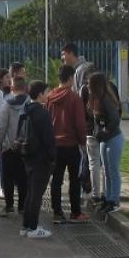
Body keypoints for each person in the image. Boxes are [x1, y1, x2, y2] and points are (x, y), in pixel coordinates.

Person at [46, 64, 89, 223]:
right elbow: (80, 123)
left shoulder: (50, 97)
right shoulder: (74, 98)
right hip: (71, 144)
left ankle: (57, 212)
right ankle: (75, 212)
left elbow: (47, 119)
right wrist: (82, 141)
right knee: (74, 180)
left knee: (56, 180)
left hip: (55, 144)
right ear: (71, 78)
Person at [20, 81, 56, 239]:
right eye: (47, 92)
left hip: (28, 156)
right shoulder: (42, 113)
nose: (48, 95)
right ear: (40, 94)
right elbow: (48, 139)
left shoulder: (26, 110)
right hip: (41, 158)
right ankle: (33, 227)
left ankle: (26, 226)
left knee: (30, 192)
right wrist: (52, 158)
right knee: (36, 194)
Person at [87, 71, 124, 214]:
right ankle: (108, 198)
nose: (87, 85)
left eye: (89, 83)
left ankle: (114, 200)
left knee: (113, 171)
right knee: (106, 171)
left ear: (96, 84)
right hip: (104, 140)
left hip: (113, 139)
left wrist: (106, 130)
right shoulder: (95, 99)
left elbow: (115, 119)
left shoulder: (106, 99)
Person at [0, 77, 29, 218]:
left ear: (12, 88)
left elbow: (1, 126)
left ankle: (9, 206)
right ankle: (22, 206)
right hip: (25, 146)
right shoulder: (29, 103)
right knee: (23, 178)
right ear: (25, 88)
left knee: (7, 177)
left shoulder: (6, 104)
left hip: (8, 147)